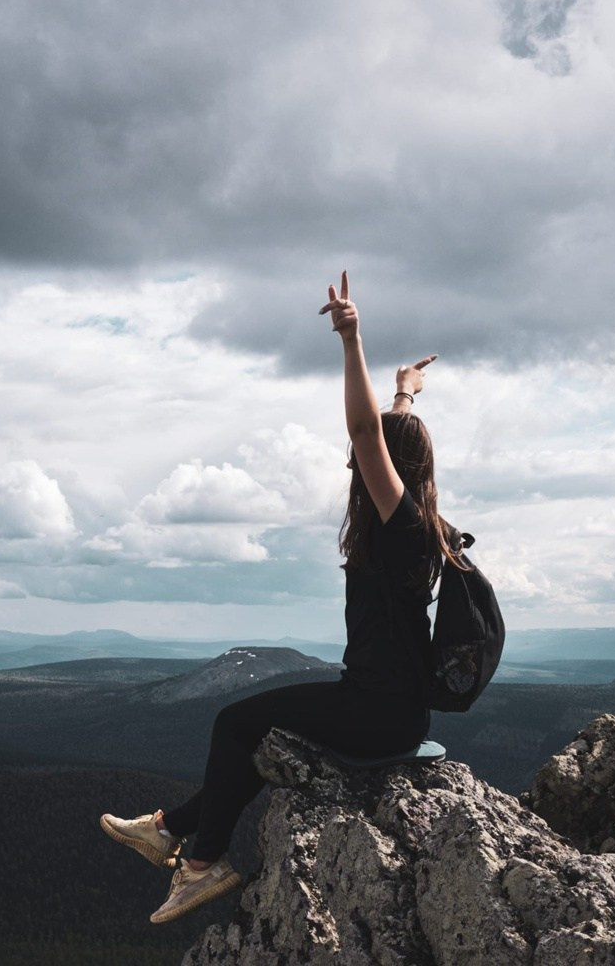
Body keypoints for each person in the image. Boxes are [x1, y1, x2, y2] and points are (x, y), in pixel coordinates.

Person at [100, 271, 463, 925]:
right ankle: (168, 829)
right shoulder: (416, 522)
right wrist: (405, 392)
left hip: (380, 713)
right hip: (390, 706)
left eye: (364, 460)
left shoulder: (401, 525)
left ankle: (203, 866)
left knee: (233, 723)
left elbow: (367, 434)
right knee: (254, 737)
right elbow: (389, 437)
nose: (355, 465)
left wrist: (352, 340)